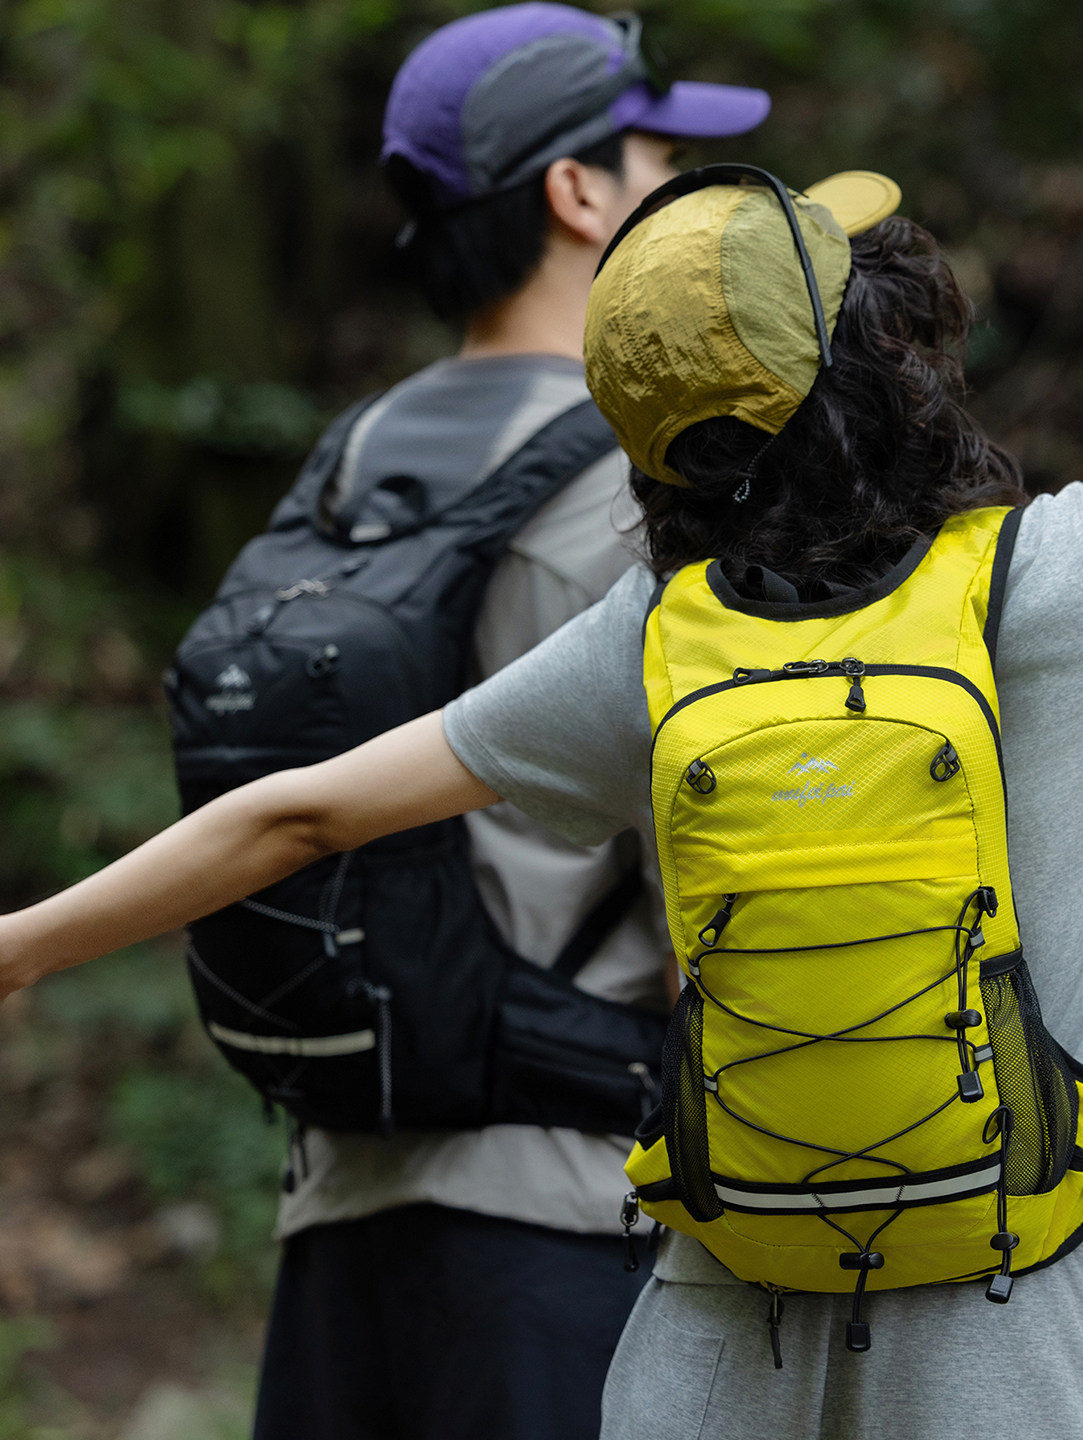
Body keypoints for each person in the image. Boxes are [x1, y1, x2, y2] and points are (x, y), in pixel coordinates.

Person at [3, 164, 1083, 1440]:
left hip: (716, 1336)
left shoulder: (654, 641)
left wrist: (25, 945)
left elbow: (297, 817)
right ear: (893, 353)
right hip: (1011, 1341)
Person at [214, 10, 769, 1439]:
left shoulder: (346, 463)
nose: (682, 187)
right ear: (578, 196)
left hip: (339, 1208)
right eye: (658, 154)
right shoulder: (648, 483)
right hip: (570, 1234)